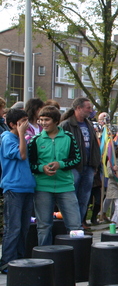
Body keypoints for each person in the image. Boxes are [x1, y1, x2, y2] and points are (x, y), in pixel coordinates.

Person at [28, 105, 82, 246]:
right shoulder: (35, 140)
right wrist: (41, 168)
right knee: (44, 226)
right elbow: (30, 164)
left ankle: (75, 258)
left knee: (75, 225)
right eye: (40, 120)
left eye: (47, 120)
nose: (43, 123)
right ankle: (44, 258)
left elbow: (76, 159)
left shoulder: (68, 137)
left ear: (56, 121)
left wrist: (60, 164)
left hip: (65, 186)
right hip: (43, 187)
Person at [0, 109, 36, 271]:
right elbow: (21, 155)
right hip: (13, 187)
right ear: (13, 124)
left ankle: (20, 258)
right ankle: (7, 261)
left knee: (24, 227)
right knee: (13, 227)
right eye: (22, 121)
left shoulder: (23, 138)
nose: (26, 124)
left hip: (27, 186)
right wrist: (21, 135)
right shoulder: (7, 138)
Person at [61, 97, 101, 225]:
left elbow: (94, 145)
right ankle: (69, 225)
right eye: (88, 108)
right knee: (71, 198)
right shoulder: (66, 125)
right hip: (74, 167)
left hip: (88, 167)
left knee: (84, 198)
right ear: (78, 108)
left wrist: (95, 165)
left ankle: (78, 224)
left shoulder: (88, 124)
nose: (91, 111)